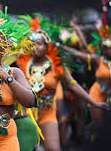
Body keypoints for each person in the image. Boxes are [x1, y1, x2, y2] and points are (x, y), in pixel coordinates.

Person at [17, 15, 108, 151]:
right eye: (32, 44)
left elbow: (73, 85)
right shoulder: (22, 64)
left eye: (39, 44)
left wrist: (94, 102)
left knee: (53, 149)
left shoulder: (56, 65)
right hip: (27, 114)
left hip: (47, 112)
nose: (35, 47)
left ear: (47, 46)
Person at [0, 10, 39, 151]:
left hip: (6, 136)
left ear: (4, 50)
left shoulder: (14, 73)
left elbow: (31, 101)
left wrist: (7, 78)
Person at [58, 25, 111, 139]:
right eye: (105, 48)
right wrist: (60, 46)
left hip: (106, 94)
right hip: (97, 93)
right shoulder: (98, 59)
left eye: (110, 47)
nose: (108, 50)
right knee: (98, 126)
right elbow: (78, 53)